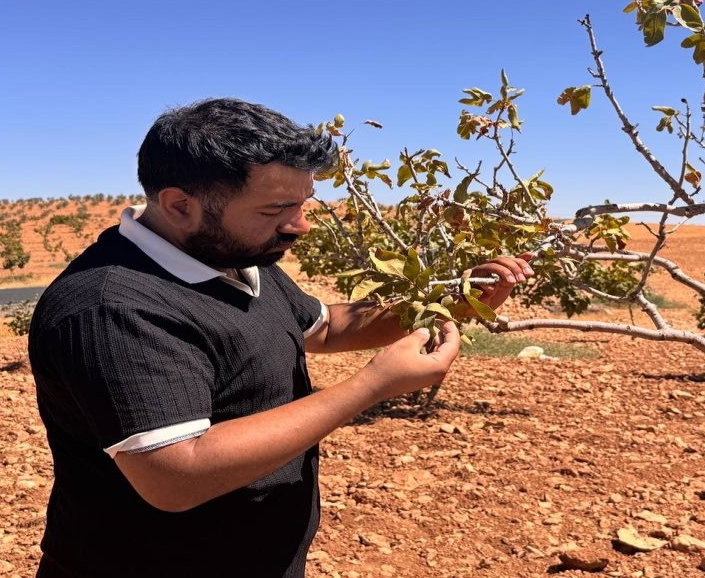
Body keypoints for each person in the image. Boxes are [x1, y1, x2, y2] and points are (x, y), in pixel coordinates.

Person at [27, 98, 532, 577]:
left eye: (304, 202)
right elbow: (176, 474)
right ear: (180, 205)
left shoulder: (231, 256)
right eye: (276, 209)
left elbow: (327, 326)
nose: (302, 226)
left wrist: (457, 301)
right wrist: (371, 386)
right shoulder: (112, 307)